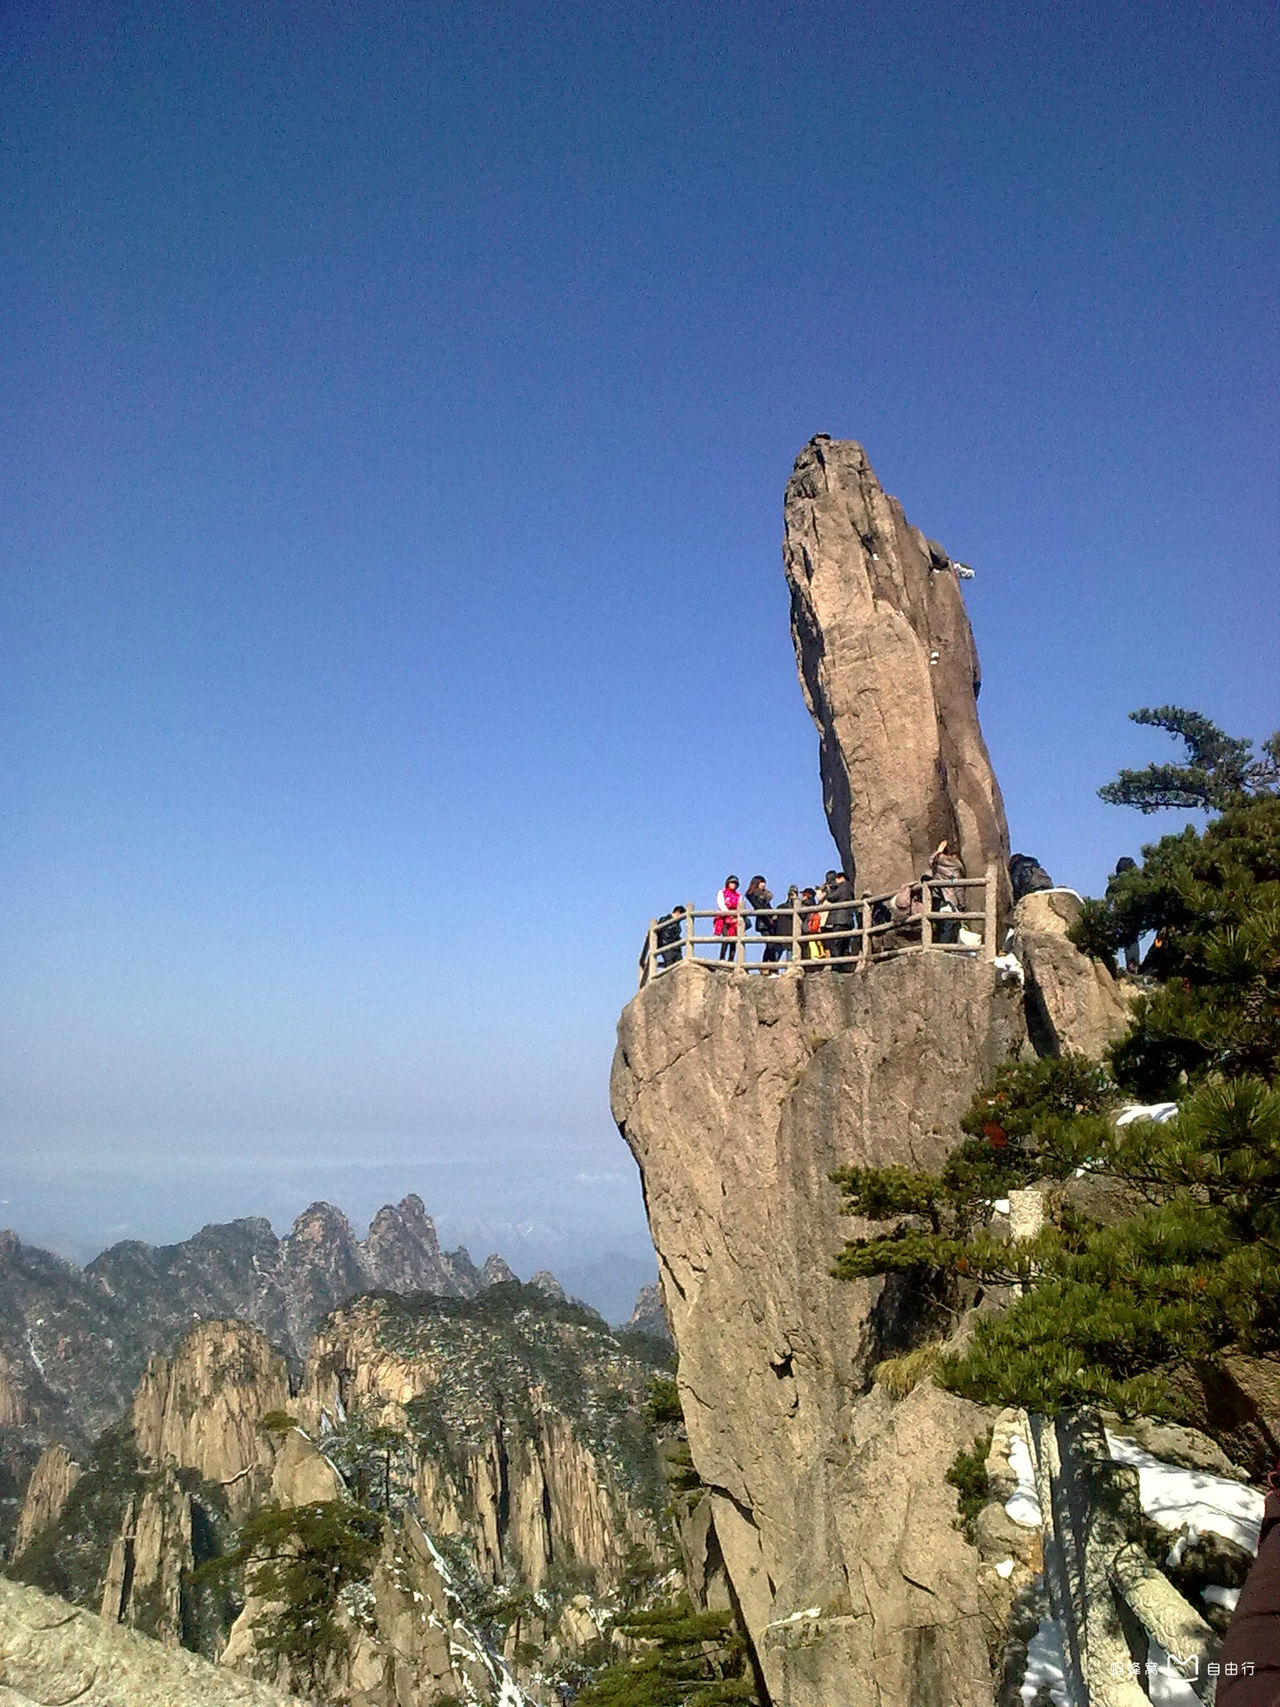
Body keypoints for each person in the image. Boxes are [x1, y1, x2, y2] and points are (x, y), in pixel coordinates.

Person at [1107, 856, 1141, 972]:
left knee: (1127, 938)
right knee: (1132, 939)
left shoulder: (1114, 885)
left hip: (1119, 915)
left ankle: (1109, 960)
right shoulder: (1137, 882)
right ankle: (1133, 964)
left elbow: (1108, 901)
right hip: (1133, 915)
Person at [929, 840, 966, 944]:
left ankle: (940, 948)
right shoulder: (955, 867)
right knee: (949, 925)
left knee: (940, 926)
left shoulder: (936, 863)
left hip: (936, 899)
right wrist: (962, 904)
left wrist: (938, 851)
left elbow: (930, 861)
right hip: (949, 901)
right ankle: (945, 950)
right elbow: (958, 888)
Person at [823, 869, 856, 963]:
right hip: (848, 920)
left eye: (837, 878)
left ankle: (837, 966)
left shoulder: (843, 886)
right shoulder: (849, 888)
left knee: (836, 945)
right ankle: (846, 966)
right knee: (844, 945)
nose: (835, 880)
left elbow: (831, 897)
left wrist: (828, 890)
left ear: (842, 878)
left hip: (840, 919)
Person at [714, 875, 743, 962]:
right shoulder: (721, 892)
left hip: (734, 919)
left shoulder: (738, 896)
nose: (733, 885)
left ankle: (731, 959)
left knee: (734, 939)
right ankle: (722, 958)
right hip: (723, 918)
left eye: (735, 883)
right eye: (732, 883)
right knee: (726, 937)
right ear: (728, 883)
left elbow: (740, 906)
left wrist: (735, 915)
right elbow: (721, 904)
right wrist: (728, 913)